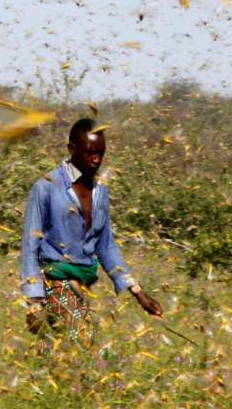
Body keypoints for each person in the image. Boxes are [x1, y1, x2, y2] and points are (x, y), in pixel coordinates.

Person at [20, 118, 162, 352]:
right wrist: (34, 301)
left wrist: (136, 291)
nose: (96, 159)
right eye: (89, 153)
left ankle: (39, 379)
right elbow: (29, 245)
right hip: (54, 279)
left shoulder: (100, 193)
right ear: (71, 149)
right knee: (82, 339)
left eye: (101, 153)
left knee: (57, 348)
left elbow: (106, 246)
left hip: (84, 281)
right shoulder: (46, 187)